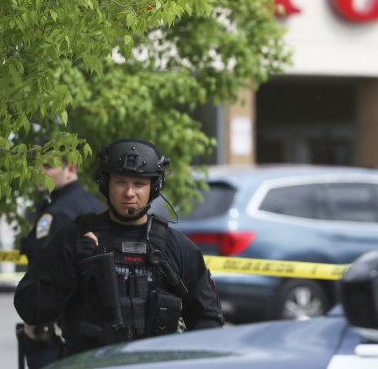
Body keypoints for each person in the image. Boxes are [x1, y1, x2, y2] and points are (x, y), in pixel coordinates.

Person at [14, 138, 224, 359]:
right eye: (121, 182)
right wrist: (70, 266)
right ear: (106, 183)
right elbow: (29, 307)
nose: (129, 193)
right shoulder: (75, 237)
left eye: (139, 184)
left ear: (154, 187)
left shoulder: (175, 246)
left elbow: (208, 320)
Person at [17, 152, 103, 369]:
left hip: (59, 331)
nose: (39, 172)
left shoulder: (56, 213)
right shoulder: (96, 206)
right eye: (36, 166)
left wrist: (35, 326)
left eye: (47, 166)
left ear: (71, 168)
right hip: (95, 328)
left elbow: (46, 276)